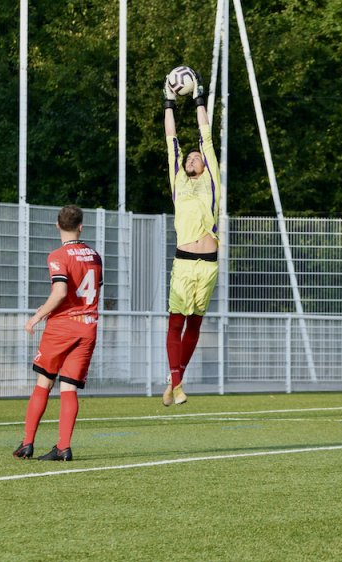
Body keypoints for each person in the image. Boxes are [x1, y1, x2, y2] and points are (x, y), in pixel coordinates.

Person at [13, 205, 103, 461]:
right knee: (69, 387)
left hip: (62, 328)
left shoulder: (57, 256)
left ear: (57, 225)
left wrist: (37, 316)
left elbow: (62, 292)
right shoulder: (95, 256)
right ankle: (63, 446)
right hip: (88, 327)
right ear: (81, 226)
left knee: (44, 382)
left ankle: (27, 443)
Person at [160, 68, 220, 407]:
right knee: (176, 320)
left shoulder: (212, 180)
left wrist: (199, 99)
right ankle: (178, 385)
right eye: (189, 157)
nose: (192, 157)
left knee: (195, 323)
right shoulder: (178, 181)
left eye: (196, 156)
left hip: (208, 264)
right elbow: (171, 141)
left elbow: (205, 136)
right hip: (184, 263)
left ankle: (174, 379)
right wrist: (169, 102)